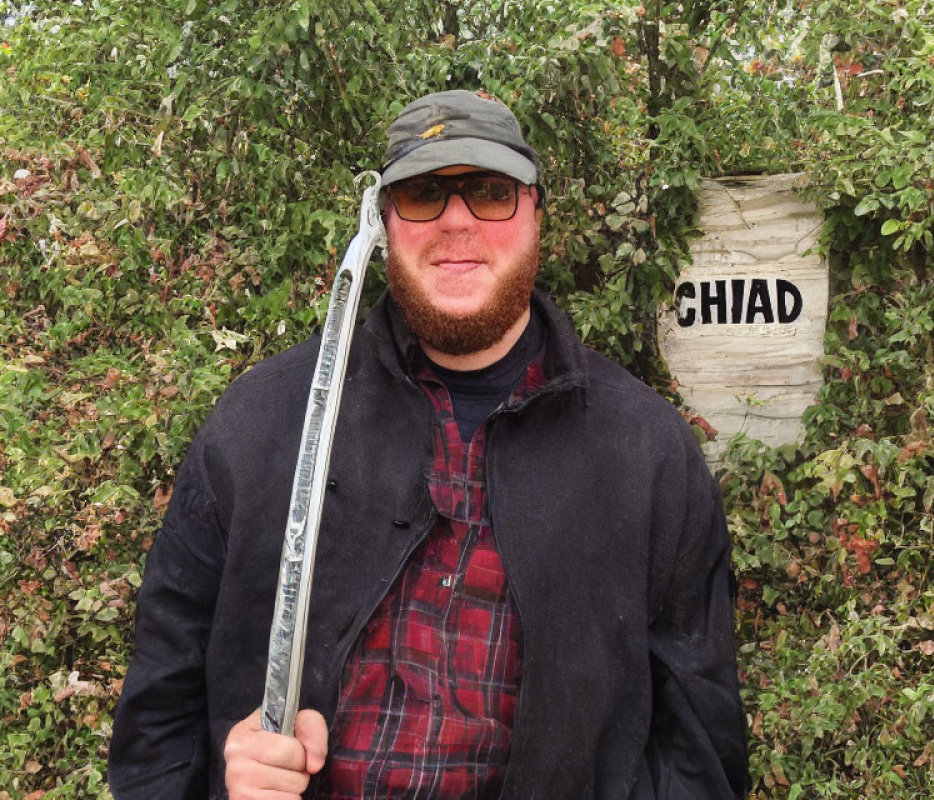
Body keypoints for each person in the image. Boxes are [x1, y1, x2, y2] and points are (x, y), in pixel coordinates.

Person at [109, 89, 750, 800]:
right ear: (385, 220)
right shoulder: (263, 422)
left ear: (537, 212)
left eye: (489, 192)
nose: (455, 221)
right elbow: (159, 713)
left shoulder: (647, 456)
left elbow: (699, 745)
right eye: (421, 194)